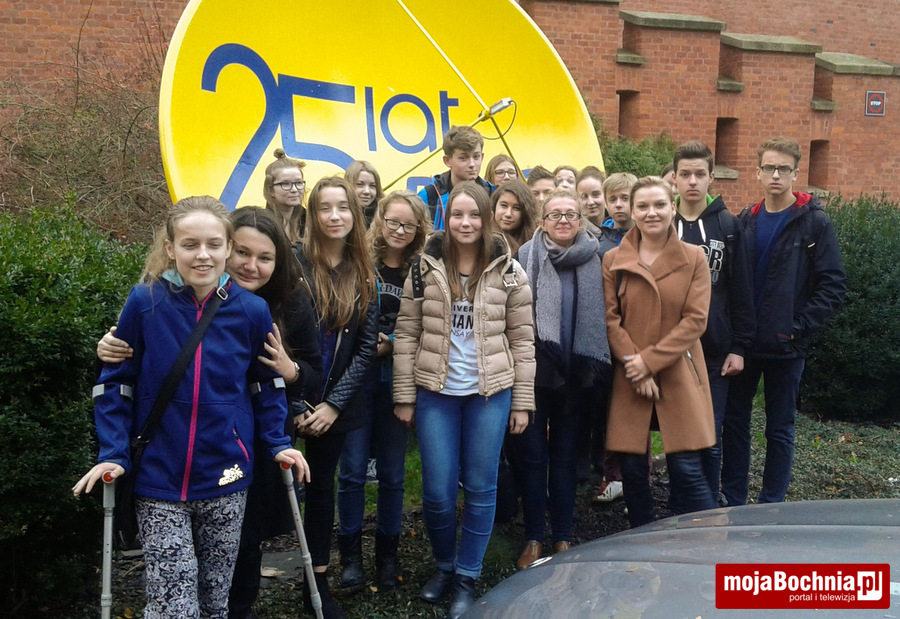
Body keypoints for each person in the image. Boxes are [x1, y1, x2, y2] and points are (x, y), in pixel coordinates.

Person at [75, 196, 310, 619]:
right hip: (158, 480)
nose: (203, 255)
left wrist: (278, 442)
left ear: (227, 247)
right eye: (190, 244)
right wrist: (113, 453)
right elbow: (115, 384)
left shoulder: (252, 310)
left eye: (214, 244)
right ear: (170, 248)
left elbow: (265, 386)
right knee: (173, 603)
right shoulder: (145, 303)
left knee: (215, 601)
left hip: (227, 476)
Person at [393, 181, 535, 619]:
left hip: (489, 394)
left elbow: (523, 340)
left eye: (475, 215)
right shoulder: (424, 268)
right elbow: (407, 333)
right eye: (458, 214)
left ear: (487, 218)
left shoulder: (510, 271)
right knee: (437, 491)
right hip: (436, 393)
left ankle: (467, 576)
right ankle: (444, 565)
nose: (466, 223)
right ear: (446, 217)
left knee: (480, 486)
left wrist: (522, 401)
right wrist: (404, 395)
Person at [721, 137, 846, 506]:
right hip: (744, 344)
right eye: (769, 168)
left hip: (786, 345)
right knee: (735, 424)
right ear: (758, 173)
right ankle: (733, 498)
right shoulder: (746, 220)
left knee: (779, 429)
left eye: (784, 169)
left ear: (795, 173)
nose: (776, 175)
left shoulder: (813, 223)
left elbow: (833, 283)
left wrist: (798, 327)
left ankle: (771, 503)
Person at [602, 177, 718, 528]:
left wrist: (648, 363)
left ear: (673, 208)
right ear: (632, 211)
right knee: (633, 470)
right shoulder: (612, 260)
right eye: (642, 206)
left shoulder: (694, 258)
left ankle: (711, 542)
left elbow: (695, 321)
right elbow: (610, 321)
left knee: (687, 469)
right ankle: (641, 541)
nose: (651, 213)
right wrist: (635, 367)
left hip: (678, 370)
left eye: (659, 205)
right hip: (630, 374)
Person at [336, 190, 431, 594]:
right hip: (357, 381)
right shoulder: (360, 261)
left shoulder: (423, 270)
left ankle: (387, 557)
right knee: (352, 470)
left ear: (419, 229)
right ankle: (350, 559)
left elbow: (431, 323)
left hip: (399, 381)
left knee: (392, 474)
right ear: (381, 220)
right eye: (393, 221)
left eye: (408, 225)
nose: (399, 230)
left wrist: (391, 342)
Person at [293, 176, 379, 618]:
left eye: (342, 207)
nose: (334, 216)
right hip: (289, 396)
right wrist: (296, 404)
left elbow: (366, 349)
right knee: (272, 489)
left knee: (321, 489)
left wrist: (333, 405)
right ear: (313, 214)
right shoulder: (292, 265)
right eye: (325, 207)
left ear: (354, 214)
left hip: (336, 403)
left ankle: (317, 583)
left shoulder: (364, 272)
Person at [513, 189, 612, 569]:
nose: (563, 221)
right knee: (533, 458)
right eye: (555, 215)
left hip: (578, 375)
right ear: (542, 222)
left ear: (581, 220)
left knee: (566, 458)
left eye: (571, 214)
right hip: (535, 375)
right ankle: (534, 536)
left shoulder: (595, 258)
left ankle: (563, 535)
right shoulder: (525, 257)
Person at [672, 142, 755, 506]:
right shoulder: (661, 222)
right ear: (674, 179)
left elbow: (741, 290)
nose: (692, 181)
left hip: (715, 349)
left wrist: (739, 346)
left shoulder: (728, 226)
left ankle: (707, 506)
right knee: (677, 430)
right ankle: (679, 504)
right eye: (685, 174)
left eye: (699, 174)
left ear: (711, 178)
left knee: (710, 431)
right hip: (670, 349)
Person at [418, 126, 493, 231]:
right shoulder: (428, 196)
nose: (472, 164)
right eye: (463, 158)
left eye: (476, 157)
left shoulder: (492, 194)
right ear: (447, 161)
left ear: (482, 157)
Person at [264, 148, 308, 243]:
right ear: (271, 190)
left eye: (299, 183)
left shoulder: (310, 220)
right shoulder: (263, 225)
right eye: (286, 184)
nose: (294, 189)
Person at [491, 179, 538, 253]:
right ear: (495, 206)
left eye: (516, 208)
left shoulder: (536, 240)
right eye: (504, 206)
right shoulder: (485, 239)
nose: (508, 214)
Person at [345, 160, 384, 226]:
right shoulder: (338, 218)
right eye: (360, 184)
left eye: (372, 186)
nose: (367, 191)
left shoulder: (385, 219)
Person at [575, 166, 606, 230]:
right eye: (584, 196)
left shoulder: (619, 227)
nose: (590, 202)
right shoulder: (573, 232)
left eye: (596, 195)